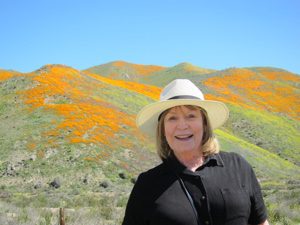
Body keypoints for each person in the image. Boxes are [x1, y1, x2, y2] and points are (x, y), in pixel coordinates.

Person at [122, 79, 269, 225]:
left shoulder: (238, 167)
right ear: (163, 129)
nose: (182, 126)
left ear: (204, 124)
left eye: (191, 116)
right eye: (172, 118)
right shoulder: (147, 185)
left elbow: (261, 222)